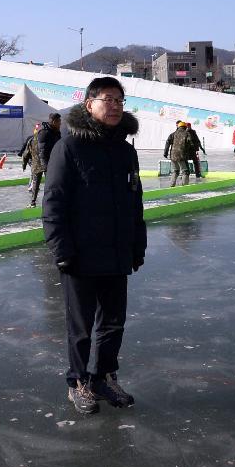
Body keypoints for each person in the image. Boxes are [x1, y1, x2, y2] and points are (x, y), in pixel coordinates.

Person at [43, 76, 146, 415]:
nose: (115, 105)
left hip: (117, 253)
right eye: (107, 99)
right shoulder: (69, 147)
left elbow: (135, 202)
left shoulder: (125, 151)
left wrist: (137, 245)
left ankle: (102, 377)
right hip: (80, 256)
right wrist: (62, 251)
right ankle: (77, 382)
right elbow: (54, 204)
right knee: (81, 327)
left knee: (113, 323)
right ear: (89, 105)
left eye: (120, 100)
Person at [29, 113, 62, 207]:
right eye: (59, 121)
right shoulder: (44, 133)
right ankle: (33, 201)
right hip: (39, 161)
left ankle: (51, 200)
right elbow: (41, 152)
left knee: (51, 182)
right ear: (54, 122)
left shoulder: (56, 132)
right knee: (37, 181)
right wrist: (46, 167)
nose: (60, 123)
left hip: (50, 160)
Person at [164, 121, 194, 187]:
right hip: (182, 156)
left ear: (178, 127)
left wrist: (165, 153)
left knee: (175, 171)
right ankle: (184, 186)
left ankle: (172, 185)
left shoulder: (173, 134)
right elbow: (191, 144)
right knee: (185, 171)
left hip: (173, 155)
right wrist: (191, 154)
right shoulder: (187, 134)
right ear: (185, 127)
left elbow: (167, 142)